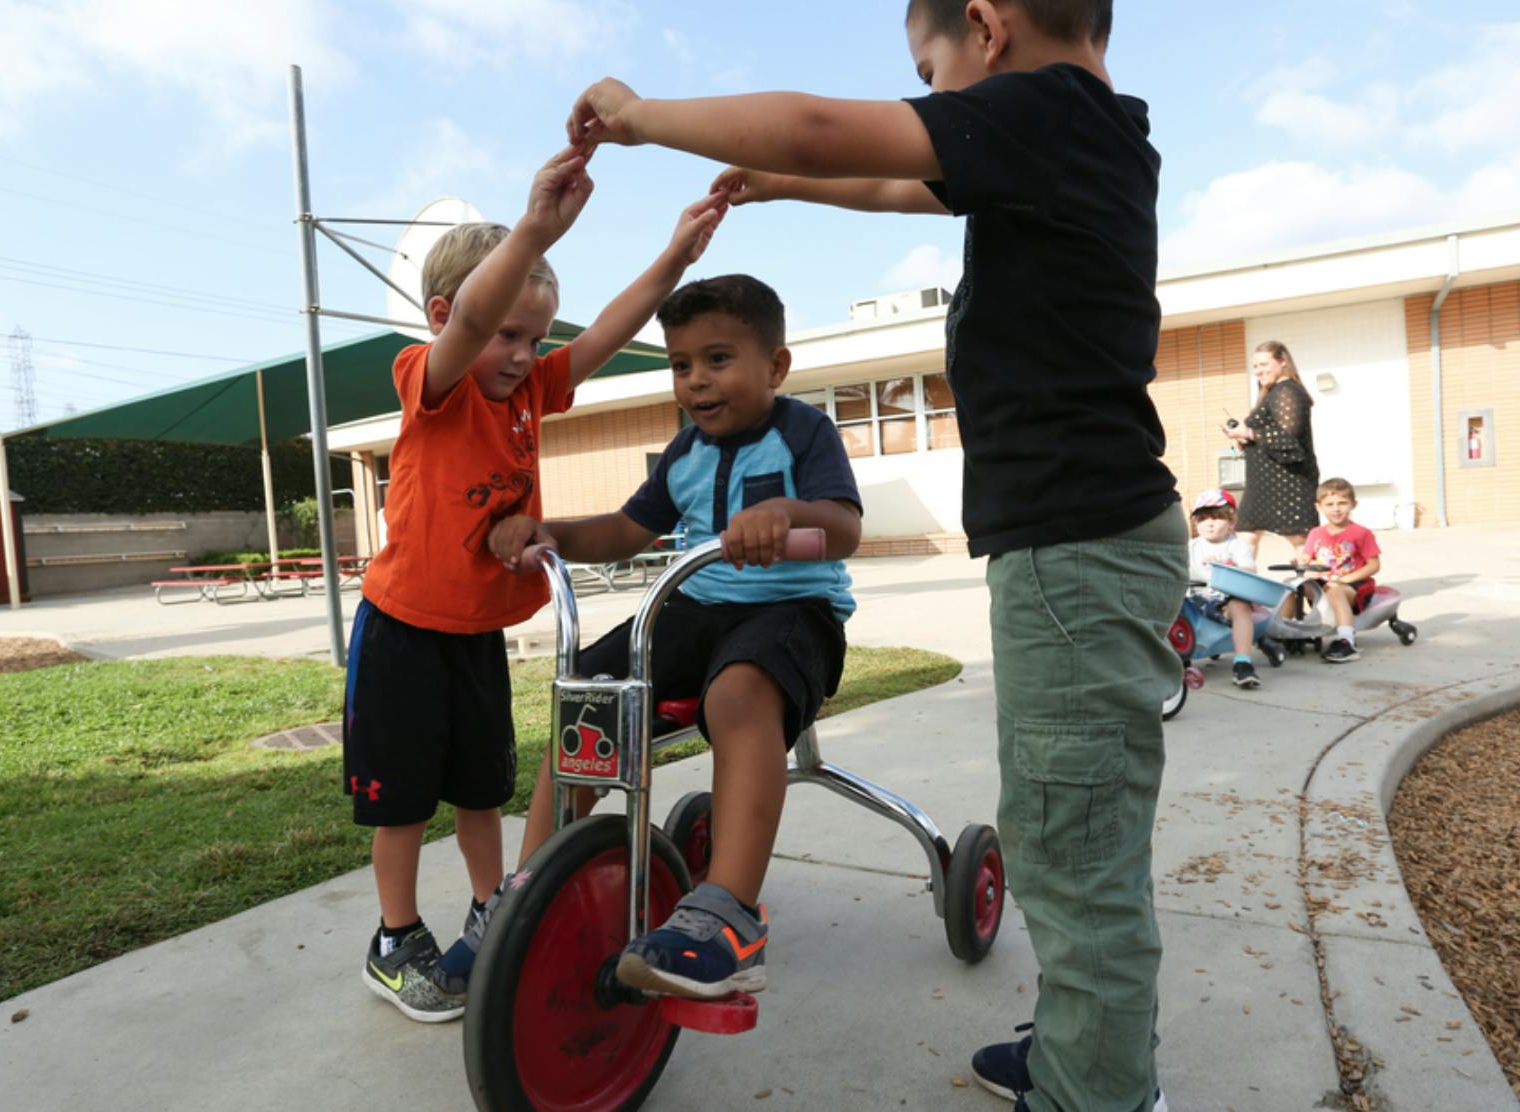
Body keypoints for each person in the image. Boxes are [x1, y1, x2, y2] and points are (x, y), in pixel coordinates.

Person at [561, 2, 1183, 1108]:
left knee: (1070, 845)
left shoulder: (1044, 111)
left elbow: (814, 125)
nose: (930, 97)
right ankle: (1085, 1045)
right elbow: (889, 180)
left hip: (1077, 546)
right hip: (1073, 545)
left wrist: (643, 114)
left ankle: (1098, 1089)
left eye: (924, 71)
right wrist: (782, 186)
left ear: (985, 28)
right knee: (1063, 823)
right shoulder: (1081, 131)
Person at [344, 146, 728, 1024]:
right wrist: (532, 229)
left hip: (474, 634)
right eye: (505, 336)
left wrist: (674, 258)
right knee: (401, 802)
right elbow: (475, 319)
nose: (522, 356)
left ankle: (495, 911)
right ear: (448, 319)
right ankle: (395, 939)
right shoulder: (431, 380)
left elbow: (601, 335)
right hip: (403, 629)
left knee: (482, 790)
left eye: (533, 339)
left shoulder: (527, 393)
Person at [480, 274, 863, 1000]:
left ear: (775, 367)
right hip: (692, 609)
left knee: (740, 693)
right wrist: (549, 530)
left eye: (718, 359)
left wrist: (786, 513)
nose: (696, 381)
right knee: (586, 698)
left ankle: (730, 918)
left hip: (791, 612)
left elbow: (844, 528)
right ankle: (526, 897)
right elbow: (627, 530)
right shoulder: (684, 451)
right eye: (680, 364)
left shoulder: (803, 432)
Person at [1224, 340, 1320, 562]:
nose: (1259, 371)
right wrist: (1246, 440)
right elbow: (1269, 434)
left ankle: (1314, 592)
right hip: (1263, 483)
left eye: (1264, 364)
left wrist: (1249, 433)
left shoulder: (1288, 391)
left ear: (1283, 362)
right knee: (1246, 535)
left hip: (1289, 481)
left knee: (1299, 540)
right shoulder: (1273, 392)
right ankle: (1243, 594)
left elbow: (1288, 438)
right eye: (1255, 366)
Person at [1299, 477, 1380, 663]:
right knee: (1291, 585)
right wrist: (1301, 563)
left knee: (1335, 590)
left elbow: (1374, 565)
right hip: (1324, 582)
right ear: (1319, 507)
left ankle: (1346, 641)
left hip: (1352, 585)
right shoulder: (1315, 533)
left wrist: (1346, 579)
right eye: (1330, 504)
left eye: (1342, 503)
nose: (1336, 508)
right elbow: (1306, 558)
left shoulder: (1361, 533)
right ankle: (1288, 630)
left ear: (1353, 504)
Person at [1186, 490, 1261, 689]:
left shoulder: (1236, 546)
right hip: (1194, 599)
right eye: (1202, 519)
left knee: (1241, 607)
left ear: (1231, 522)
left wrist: (1225, 566)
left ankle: (1242, 663)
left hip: (1224, 600)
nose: (1209, 523)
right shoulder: (1190, 547)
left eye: (1217, 518)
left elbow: (1249, 570)